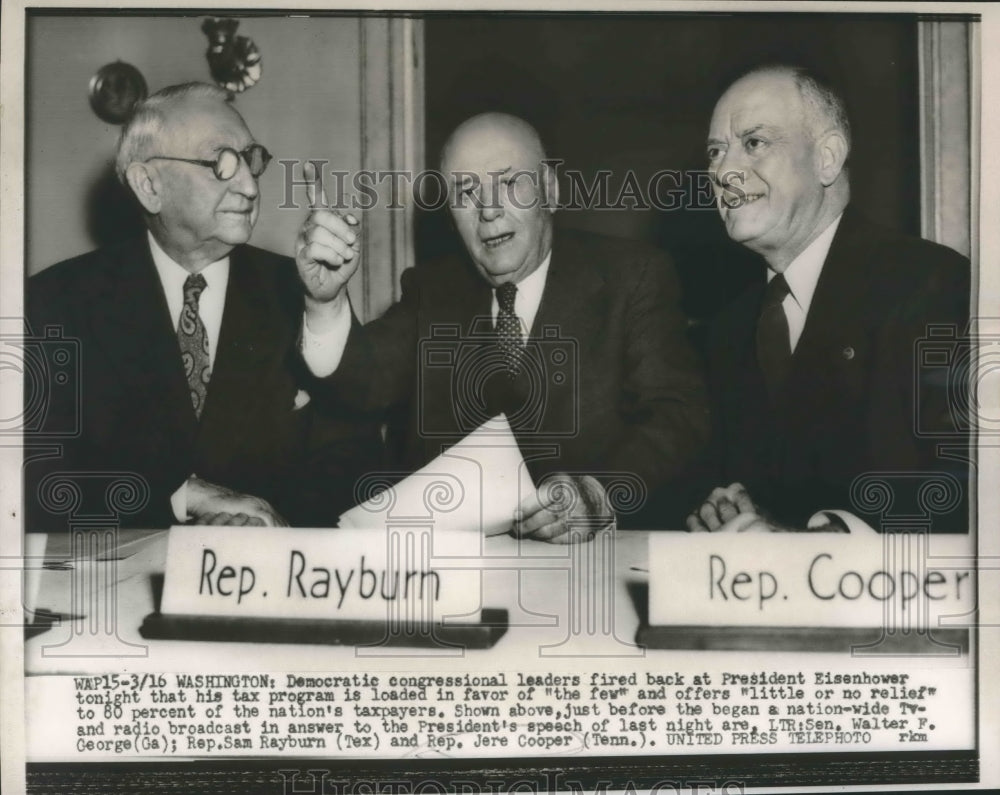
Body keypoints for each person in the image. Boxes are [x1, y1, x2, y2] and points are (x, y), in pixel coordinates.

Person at [295, 112, 710, 542]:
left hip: (593, 566)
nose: (489, 210)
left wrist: (600, 494)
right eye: (466, 192)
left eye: (509, 183)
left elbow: (678, 417)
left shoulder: (632, 276)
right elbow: (361, 380)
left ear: (550, 189)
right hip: (459, 577)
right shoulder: (433, 289)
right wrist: (324, 302)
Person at [25, 82, 378, 531]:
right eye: (220, 163)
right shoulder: (55, 303)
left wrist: (275, 528)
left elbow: (358, 462)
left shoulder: (306, 291)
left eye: (251, 160)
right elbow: (31, 481)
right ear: (148, 185)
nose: (250, 186)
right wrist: (182, 495)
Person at [687, 65, 970, 534]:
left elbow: (969, 477)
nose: (724, 171)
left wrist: (833, 541)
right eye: (716, 151)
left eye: (754, 142)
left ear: (827, 157)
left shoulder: (932, 284)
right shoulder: (729, 330)